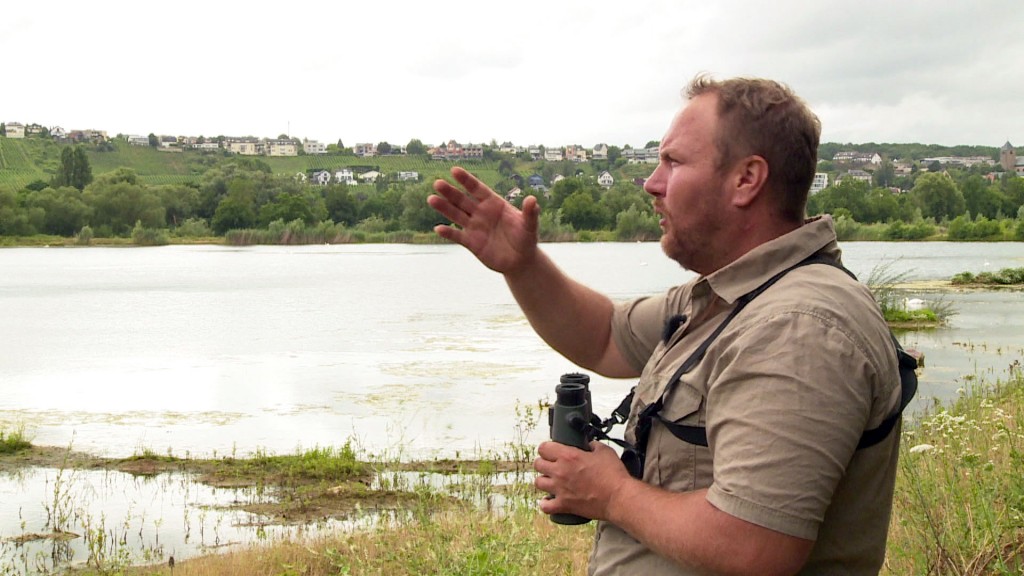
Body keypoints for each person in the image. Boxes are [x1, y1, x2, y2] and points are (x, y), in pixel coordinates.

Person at [427, 74, 903, 575]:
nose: (652, 183)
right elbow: (606, 335)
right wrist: (523, 265)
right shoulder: (731, 297)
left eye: (673, 162)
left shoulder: (798, 326)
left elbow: (754, 547)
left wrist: (610, 493)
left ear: (747, 179)